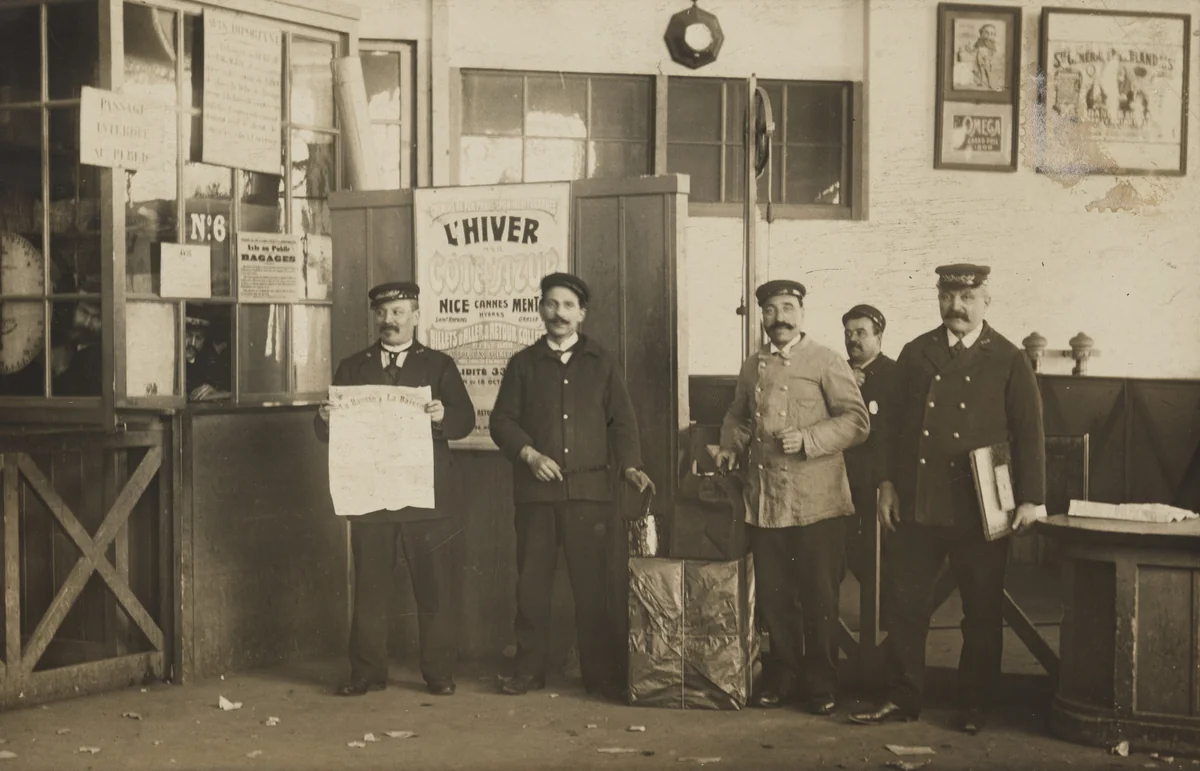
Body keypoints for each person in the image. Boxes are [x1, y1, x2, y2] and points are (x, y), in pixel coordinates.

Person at [849, 264, 1045, 735]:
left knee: (980, 609)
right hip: (919, 500)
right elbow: (892, 429)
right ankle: (902, 697)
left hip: (982, 502)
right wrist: (887, 486)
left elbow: (1030, 432)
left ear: (985, 301)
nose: (956, 307)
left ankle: (975, 704)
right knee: (905, 604)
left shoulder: (1008, 357)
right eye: (948, 297)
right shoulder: (917, 353)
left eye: (967, 298)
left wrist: (1031, 499)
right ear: (939, 298)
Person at [490, 271, 655, 701]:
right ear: (540, 309)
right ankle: (528, 672)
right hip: (536, 498)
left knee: (593, 590)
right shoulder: (523, 365)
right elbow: (501, 421)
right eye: (551, 304)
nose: (558, 313)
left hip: (591, 496)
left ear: (581, 314)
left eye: (567, 305)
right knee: (532, 586)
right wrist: (530, 455)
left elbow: (623, 422)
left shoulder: (602, 361)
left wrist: (631, 467)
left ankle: (599, 676)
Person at [714, 279, 869, 715]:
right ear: (761, 316)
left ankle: (821, 683)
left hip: (817, 504)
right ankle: (781, 676)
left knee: (819, 598)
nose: (778, 317)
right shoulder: (753, 365)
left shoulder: (826, 360)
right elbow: (737, 416)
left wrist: (808, 438)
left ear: (801, 311)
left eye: (787, 307)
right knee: (775, 598)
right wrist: (730, 444)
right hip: (765, 503)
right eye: (769, 310)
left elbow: (857, 422)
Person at [315, 281, 475, 697]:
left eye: (400, 311)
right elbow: (324, 431)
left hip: (425, 496)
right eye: (384, 313)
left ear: (416, 316)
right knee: (369, 587)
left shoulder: (438, 366)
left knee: (433, 587)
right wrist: (325, 418)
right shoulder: (353, 367)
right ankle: (366, 673)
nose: (390, 321)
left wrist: (442, 417)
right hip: (371, 497)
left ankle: (439, 674)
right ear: (376, 317)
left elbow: (465, 420)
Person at [841, 304, 897, 580]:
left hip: (878, 480)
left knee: (880, 557)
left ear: (879, 337)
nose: (853, 339)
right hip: (839, 479)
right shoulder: (836, 372)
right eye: (848, 333)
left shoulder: (895, 374)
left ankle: (884, 614)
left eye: (861, 333)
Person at [184, 306, 231, 401]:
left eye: (198, 338)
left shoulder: (209, 361)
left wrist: (214, 391)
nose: (192, 343)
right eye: (188, 335)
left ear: (205, 340)